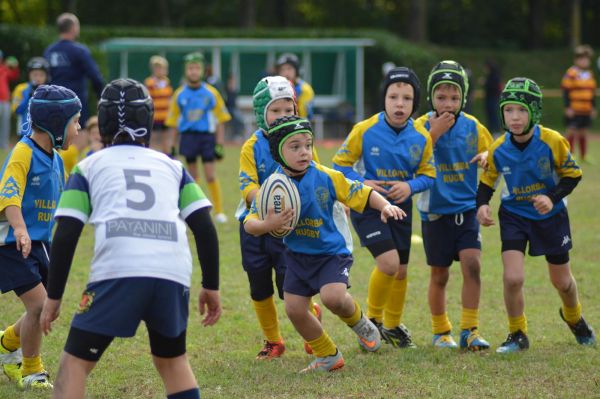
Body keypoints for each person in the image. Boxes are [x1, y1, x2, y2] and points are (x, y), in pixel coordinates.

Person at [39, 78, 221, 399]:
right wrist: (211, 285)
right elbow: (204, 227)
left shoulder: (88, 168)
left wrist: (53, 298)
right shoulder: (173, 167)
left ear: (103, 123)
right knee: (172, 361)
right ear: (149, 122)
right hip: (172, 272)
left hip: (119, 271)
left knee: (74, 365)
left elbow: (67, 234)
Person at [244, 116, 406, 372]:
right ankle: (327, 355)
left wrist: (385, 206)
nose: (304, 152)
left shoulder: (325, 176)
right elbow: (249, 223)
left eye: (307, 145)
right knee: (294, 309)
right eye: (294, 146)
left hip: (331, 253)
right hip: (297, 256)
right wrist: (268, 224)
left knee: (333, 298)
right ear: (278, 152)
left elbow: (361, 192)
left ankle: (360, 322)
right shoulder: (272, 187)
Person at [476, 77, 596, 353]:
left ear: (534, 112)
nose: (514, 117)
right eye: (508, 110)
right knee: (513, 278)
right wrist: (481, 206)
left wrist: (550, 197)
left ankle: (574, 317)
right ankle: (518, 333)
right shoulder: (498, 148)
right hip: (514, 216)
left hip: (551, 217)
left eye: (521, 110)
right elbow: (486, 183)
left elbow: (572, 176)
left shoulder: (553, 141)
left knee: (562, 282)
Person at [332, 67, 435, 349]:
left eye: (406, 98)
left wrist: (410, 187)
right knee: (388, 263)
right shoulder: (364, 130)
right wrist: (363, 182)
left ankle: (392, 326)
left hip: (401, 208)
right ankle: (373, 323)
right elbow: (339, 166)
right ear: (384, 99)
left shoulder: (421, 137)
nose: (399, 104)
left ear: (415, 103)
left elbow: (429, 174)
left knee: (400, 270)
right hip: (368, 206)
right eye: (393, 97)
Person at [0, 84, 81, 390]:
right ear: (56, 124)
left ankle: (6, 343)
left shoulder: (57, 160)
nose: (78, 128)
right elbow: (9, 194)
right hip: (11, 243)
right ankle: (31, 369)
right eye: (75, 121)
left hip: (39, 245)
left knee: (48, 308)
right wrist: (19, 228)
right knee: (39, 307)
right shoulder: (23, 152)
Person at [238, 76, 322, 359]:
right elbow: (246, 185)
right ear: (262, 113)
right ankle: (274, 340)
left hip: (290, 225)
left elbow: (316, 176)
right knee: (259, 286)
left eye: (288, 110)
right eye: (276, 111)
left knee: (291, 287)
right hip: (255, 225)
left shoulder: (302, 141)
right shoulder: (251, 146)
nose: (282, 117)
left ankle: (312, 329)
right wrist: (268, 203)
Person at [414, 60, 493, 350]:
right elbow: (410, 160)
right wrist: (432, 134)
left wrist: (486, 154)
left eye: (455, 98)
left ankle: (470, 330)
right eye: (441, 97)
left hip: (466, 210)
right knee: (440, 273)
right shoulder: (420, 126)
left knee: (473, 265)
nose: (448, 104)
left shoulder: (472, 126)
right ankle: (440, 332)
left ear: (463, 98)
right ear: (431, 97)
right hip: (435, 213)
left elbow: (492, 149)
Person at [165, 52, 231, 224]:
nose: (193, 71)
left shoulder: (211, 93)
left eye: (197, 68)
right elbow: (173, 123)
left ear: (203, 71)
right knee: (193, 178)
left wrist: (220, 144)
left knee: (210, 175)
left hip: (206, 138)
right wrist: (171, 145)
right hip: (188, 138)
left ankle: (219, 211)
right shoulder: (179, 94)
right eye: (190, 68)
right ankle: (196, 211)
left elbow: (221, 120)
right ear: (185, 71)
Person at [44, 12, 104, 126]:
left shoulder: (49, 51)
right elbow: (95, 76)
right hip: (75, 102)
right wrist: (100, 96)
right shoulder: (79, 50)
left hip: (53, 103)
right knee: (77, 134)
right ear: (73, 28)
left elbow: (44, 78)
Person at [561, 44, 597, 163]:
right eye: (582, 58)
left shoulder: (590, 75)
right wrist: (567, 107)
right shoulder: (571, 73)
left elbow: (592, 93)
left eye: (586, 58)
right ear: (576, 60)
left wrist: (593, 108)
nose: (584, 61)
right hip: (574, 108)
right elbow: (566, 91)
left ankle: (583, 156)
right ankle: (569, 155)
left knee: (584, 132)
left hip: (586, 109)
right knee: (571, 131)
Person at [11, 57, 51, 136]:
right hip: (25, 132)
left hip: (44, 133)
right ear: (29, 75)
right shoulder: (21, 88)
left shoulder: (50, 90)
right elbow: (17, 110)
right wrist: (28, 96)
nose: (38, 78)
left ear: (46, 76)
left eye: (41, 75)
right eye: (35, 75)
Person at [144, 55, 174, 156]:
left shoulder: (167, 82)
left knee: (166, 140)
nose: (160, 70)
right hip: (155, 116)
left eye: (162, 68)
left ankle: (168, 158)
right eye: (157, 68)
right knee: (153, 140)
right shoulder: (149, 82)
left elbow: (169, 97)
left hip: (165, 116)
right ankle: (151, 157)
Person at [275, 53, 315, 120]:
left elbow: (305, 116)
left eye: (289, 69)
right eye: (282, 70)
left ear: (297, 71)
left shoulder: (304, 89)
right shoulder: (273, 87)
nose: (286, 73)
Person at [0, 50, 20, 150]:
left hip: (5, 100)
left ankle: (3, 145)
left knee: (5, 124)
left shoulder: (4, 68)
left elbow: (14, 76)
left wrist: (15, 66)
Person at [482, 59, 502, 134]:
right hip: (490, 98)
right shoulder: (491, 75)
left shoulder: (495, 76)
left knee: (494, 116)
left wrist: (485, 83)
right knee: (490, 116)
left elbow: (494, 86)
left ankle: (496, 131)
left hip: (493, 99)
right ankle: (491, 131)